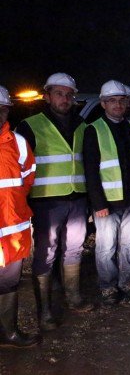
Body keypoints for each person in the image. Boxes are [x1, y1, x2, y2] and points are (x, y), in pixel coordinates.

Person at [16, 73, 93, 331]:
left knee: (74, 248)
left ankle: (73, 296)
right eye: (59, 93)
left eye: (69, 94)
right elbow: (20, 168)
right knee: (45, 253)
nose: (65, 99)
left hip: (77, 198)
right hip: (45, 201)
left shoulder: (82, 125)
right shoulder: (29, 126)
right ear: (47, 96)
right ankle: (45, 310)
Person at [83, 80, 130, 306]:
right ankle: (108, 286)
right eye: (112, 101)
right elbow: (90, 171)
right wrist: (98, 204)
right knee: (106, 245)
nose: (117, 105)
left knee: (129, 243)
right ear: (103, 103)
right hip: (107, 200)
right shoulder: (94, 130)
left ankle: (127, 282)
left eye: (121, 100)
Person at [0, 85, 41, 347]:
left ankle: (8, 333)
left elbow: (27, 180)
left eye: (1, 109)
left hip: (12, 230)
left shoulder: (18, 143)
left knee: (8, 283)